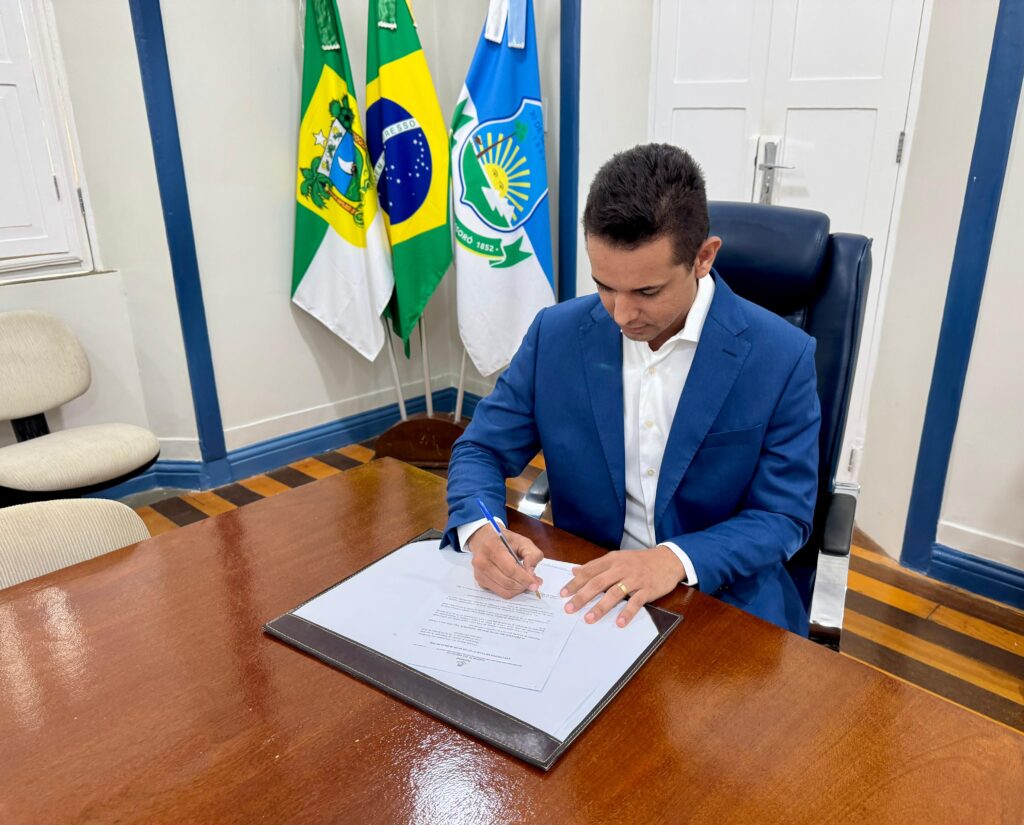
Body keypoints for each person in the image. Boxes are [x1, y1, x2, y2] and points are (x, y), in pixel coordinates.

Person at [442, 143, 820, 635]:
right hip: (586, 590)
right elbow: (481, 449)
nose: (620, 315)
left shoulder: (782, 357)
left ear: (703, 258)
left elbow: (783, 515)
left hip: (722, 598)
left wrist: (672, 559)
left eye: (647, 292)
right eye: (604, 285)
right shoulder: (556, 334)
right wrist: (482, 530)